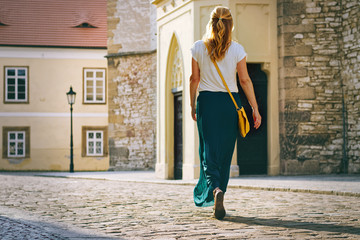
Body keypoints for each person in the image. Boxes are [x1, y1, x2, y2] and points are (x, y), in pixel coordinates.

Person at [189, 6, 262, 220]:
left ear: (210, 23)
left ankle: (215, 190)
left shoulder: (197, 48)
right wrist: (255, 109)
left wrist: (193, 105)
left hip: (208, 102)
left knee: (208, 150)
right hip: (230, 103)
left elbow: (194, 79)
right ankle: (221, 189)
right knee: (225, 152)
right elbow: (245, 80)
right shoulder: (238, 49)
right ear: (231, 25)